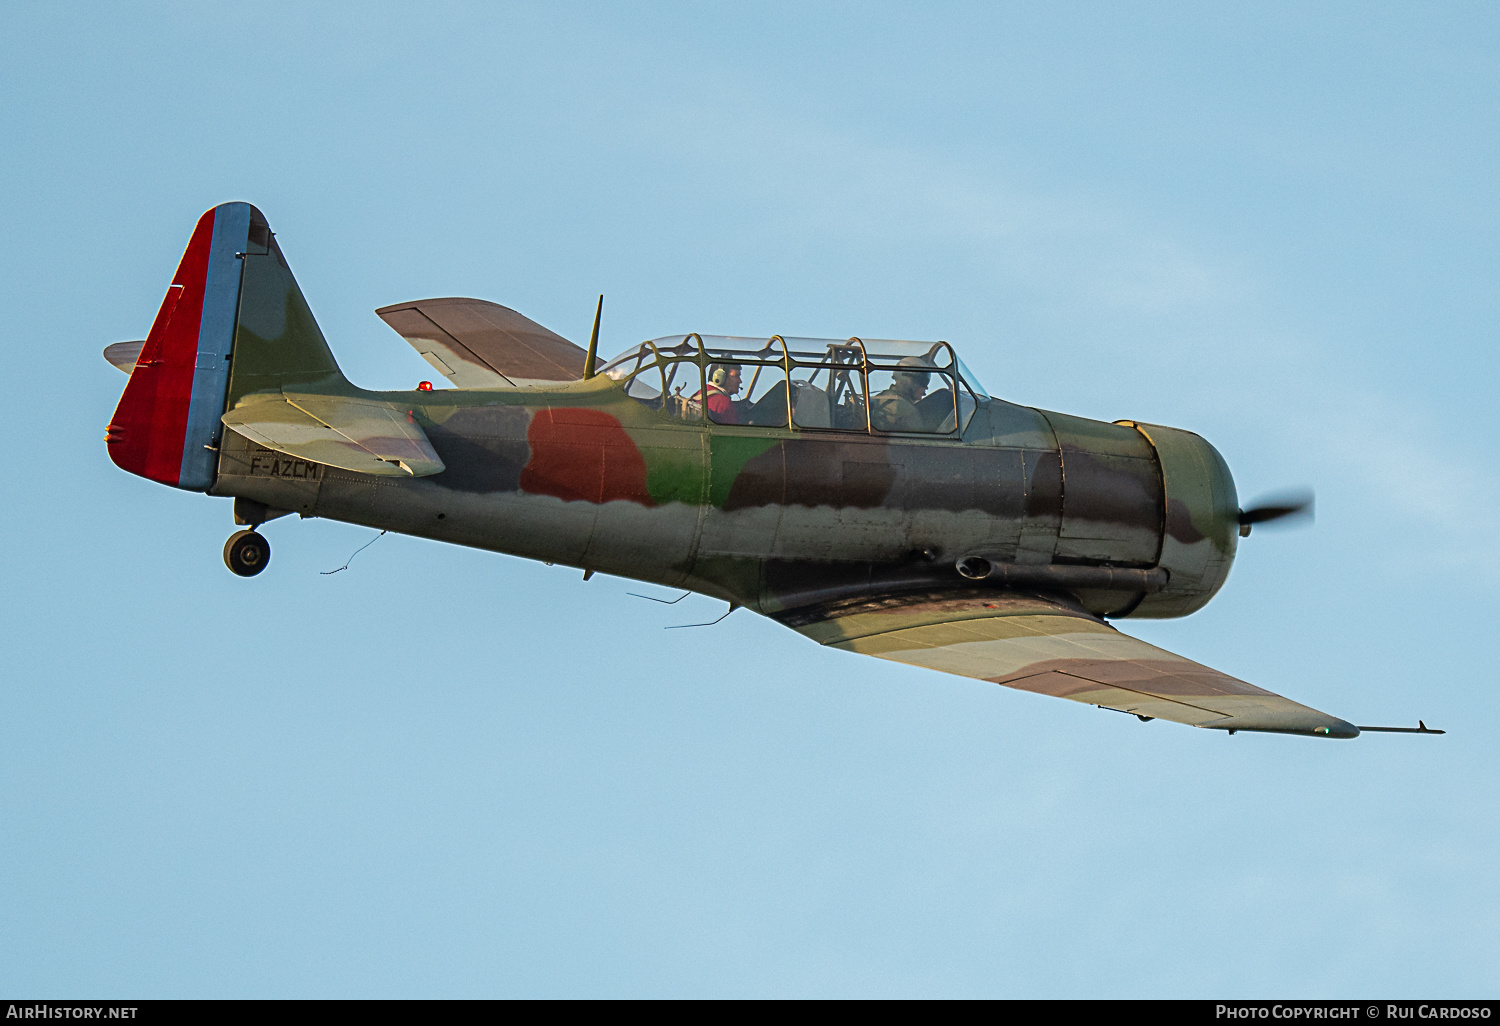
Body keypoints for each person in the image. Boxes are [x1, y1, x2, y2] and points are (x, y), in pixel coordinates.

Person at [870, 356, 932, 432]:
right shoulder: (908, 411)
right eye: (923, 381)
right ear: (910, 380)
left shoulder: (880, 398)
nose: (925, 389)